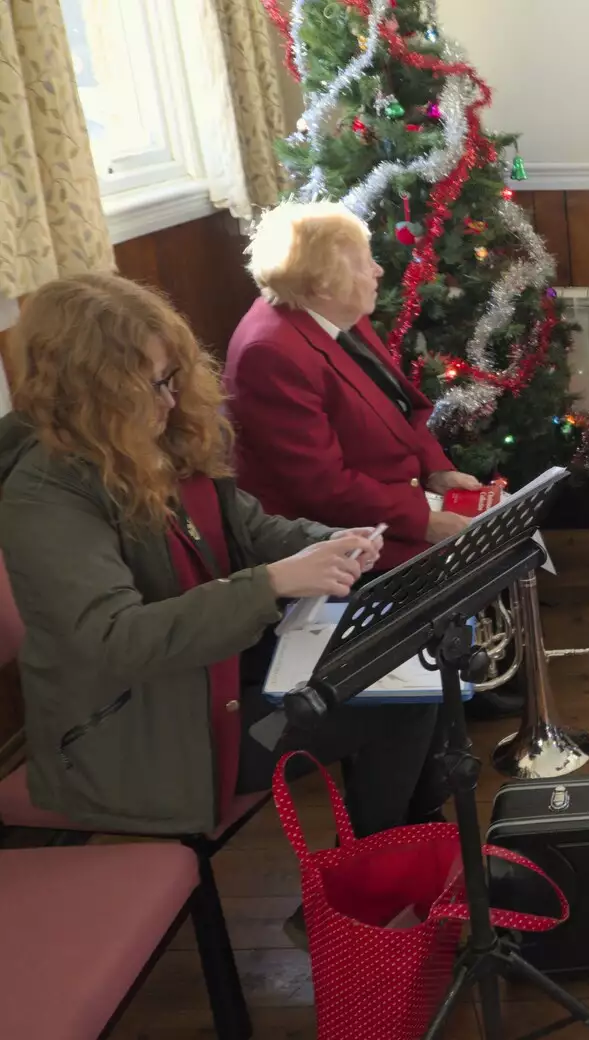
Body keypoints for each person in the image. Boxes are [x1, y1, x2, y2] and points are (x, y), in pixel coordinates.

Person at [0, 272, 445, 853]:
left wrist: (333, 540)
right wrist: (272, 583)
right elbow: (113, 640)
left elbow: (253, 529)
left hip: (211, 672)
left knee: (414, 671)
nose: (170, 400)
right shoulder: (45, 492)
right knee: (403, 701)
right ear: (91, 391)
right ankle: (369, 892)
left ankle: (393, 877)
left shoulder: (150, 437)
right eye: (151, 385)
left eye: (172, 378)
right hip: (137, 731)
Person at [225, 200, 482, 573]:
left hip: (390, 505)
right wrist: (422, 522)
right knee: (483, 562)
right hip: (343, 540)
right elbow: (323, 487)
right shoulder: (269, 353)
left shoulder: (335, 311)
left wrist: (436, 470)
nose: (378, 270)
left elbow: (401, 409)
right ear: (324, 283)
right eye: (365, 263)